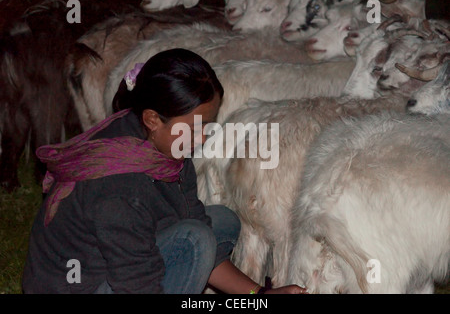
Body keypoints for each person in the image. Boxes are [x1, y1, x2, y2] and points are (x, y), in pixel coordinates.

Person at [22, 48, 307, 294]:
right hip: (82, 287)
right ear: (153, 119)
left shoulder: (159, 144)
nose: (204, 137)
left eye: (208, 124)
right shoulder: (120, 188)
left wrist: (259, 295)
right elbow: (138, 284)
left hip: (118, 266)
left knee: (220, 221)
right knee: (195, 239)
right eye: (195, 128)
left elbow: (194, 221)